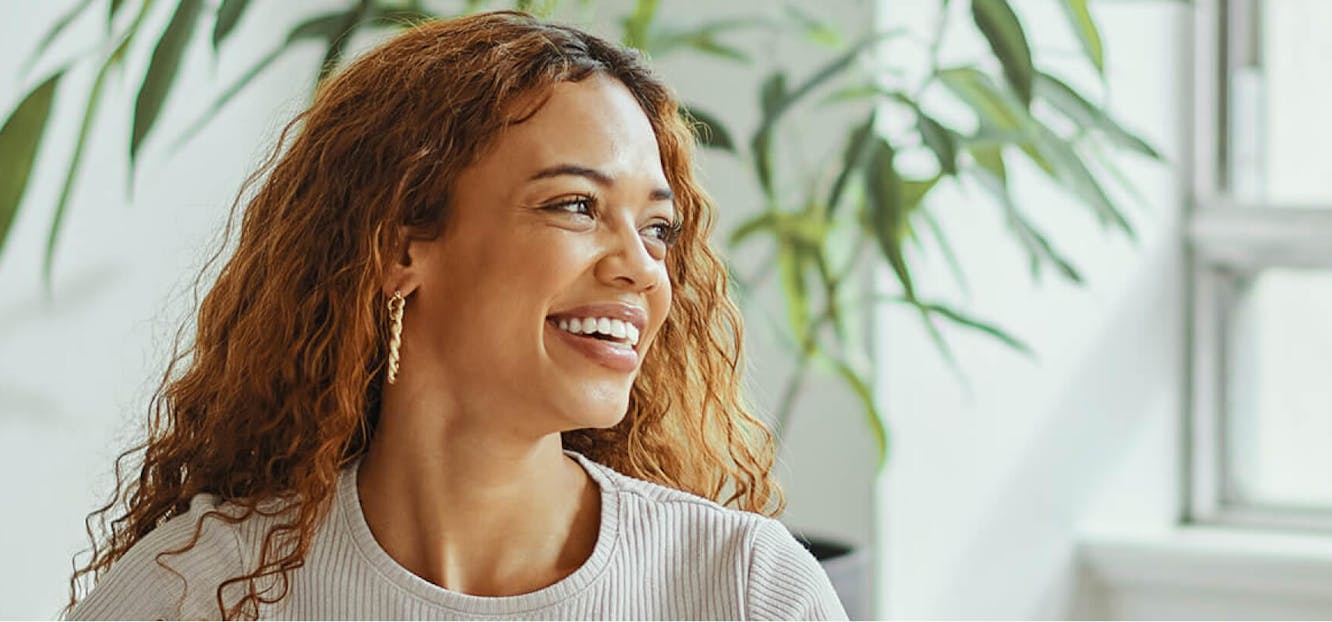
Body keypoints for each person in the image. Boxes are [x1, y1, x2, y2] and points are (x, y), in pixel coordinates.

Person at [62, 10, 847, 620]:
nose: (642, 269)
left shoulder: (740, 588)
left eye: (657, 229)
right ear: (400, 247)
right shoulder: (208, 589)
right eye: (576, 206)